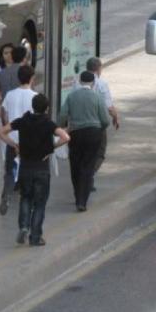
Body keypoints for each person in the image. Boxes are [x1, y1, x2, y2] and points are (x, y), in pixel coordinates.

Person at [0, 94, 69, 247]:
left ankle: (24, 227)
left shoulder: (23, 120)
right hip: (41, 168)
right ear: (47, 108)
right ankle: (35, 237)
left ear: (33, 106)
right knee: (40, 203)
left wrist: (14, 145)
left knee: (26, 198)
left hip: (25, 167)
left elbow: (1, 132)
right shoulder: (48, 123)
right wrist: (51, 148)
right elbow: (65, 137)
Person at [59, 71, 110, 212]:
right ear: (93, 83)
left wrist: (62, 127)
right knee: (88, 166)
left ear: (80, 81)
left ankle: (77, 195)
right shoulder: (97, 97)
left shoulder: (71, 96)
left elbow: (62, 115)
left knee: (75, 164)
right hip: (93, 133)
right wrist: (100, 129)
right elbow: (105, 120)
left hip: (76, 133)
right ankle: (82, 201)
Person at [0, 64, 38, 216]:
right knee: (28, 172)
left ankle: (6, 194)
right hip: (28, 142)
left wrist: (8, 129)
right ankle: (26, 201)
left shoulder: (10, 95)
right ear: (32, 78)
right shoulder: (35, 97)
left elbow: (4, 114)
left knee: (10, 171)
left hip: (12, 140)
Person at [0, 45, 29, 214]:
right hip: (25, 130)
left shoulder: (1, 74)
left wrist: (4, 123)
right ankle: (22, 189)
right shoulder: (25, 73)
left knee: (9, 166)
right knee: (25, 163)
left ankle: (6, 193)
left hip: (10, 127)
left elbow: (0, 102)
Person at [86, 57, 119, 180]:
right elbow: (109, 107)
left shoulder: (77, 82)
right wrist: (115, 117)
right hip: (97, 125)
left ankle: (84, 174)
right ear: (99, 69)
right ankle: (89, 174)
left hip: (79, 125)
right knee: (100, 152)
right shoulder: (101, 84)